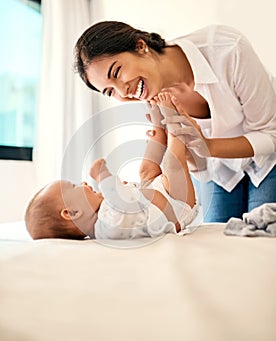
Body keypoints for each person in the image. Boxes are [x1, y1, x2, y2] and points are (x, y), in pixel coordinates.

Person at [74, 20, 276, 223]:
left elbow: (270, 134)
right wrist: (186, 151)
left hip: (268, 157)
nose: (123, 92)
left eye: (116, 72)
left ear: (140, 46)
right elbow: (194, 162)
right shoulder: (149, 92)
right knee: (216, 240)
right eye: (110, 91)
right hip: (220, 170)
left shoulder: (228, 50)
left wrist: (209, 146)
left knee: (260, 235)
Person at [25, 93, 198, 240]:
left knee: (145, 170)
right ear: (72, 213)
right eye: (74, 186)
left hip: (156, 196)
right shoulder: (106, 229)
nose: (84, 183)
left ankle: (158, 128)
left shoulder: (105, 214)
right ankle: (173, 122)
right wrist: (103, 176)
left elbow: (124, 202)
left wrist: (126, 191)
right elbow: (120, 206)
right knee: (172, 164)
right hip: (177, 206)